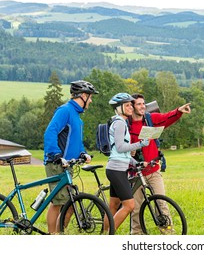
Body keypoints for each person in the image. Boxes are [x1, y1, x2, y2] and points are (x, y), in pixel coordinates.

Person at [128, 93, 191, 235]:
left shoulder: (150, 119)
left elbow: (166, 118)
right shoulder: (126, 125)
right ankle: (137, 238)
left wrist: (178, 111)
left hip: (153, 170)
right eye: (139, 104)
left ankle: (169, 235)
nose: (143, 106)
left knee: (161, 205)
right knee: (136, 209)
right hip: (135, 173)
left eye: (143, 103)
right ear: (131, 107)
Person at [43, 80, 98, 234]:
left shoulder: (77, 117)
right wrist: (56, 154)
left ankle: (59, 233)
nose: (91, 101)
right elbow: (50, 132)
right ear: (83, 96)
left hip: (68, 166)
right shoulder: (65, 110)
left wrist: (82, 153)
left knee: (70, 203)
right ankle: (52, 235)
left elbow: (76, 141)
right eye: (91, 97)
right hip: (57, 163)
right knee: (59, 202)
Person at [105, 93, 149, 231]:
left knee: (113, 205)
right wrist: (140, 144)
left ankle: (104, 233)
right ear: (119, 108)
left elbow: (121, 153)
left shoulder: (121, 122)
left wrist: (135, 163)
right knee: (129, 205)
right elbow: (120, 147)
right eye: (127, 105)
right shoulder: (119, 123)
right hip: (117, 170)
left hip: (117, 168)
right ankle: (109, 236)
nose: (131, 108)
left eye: (131, 105)